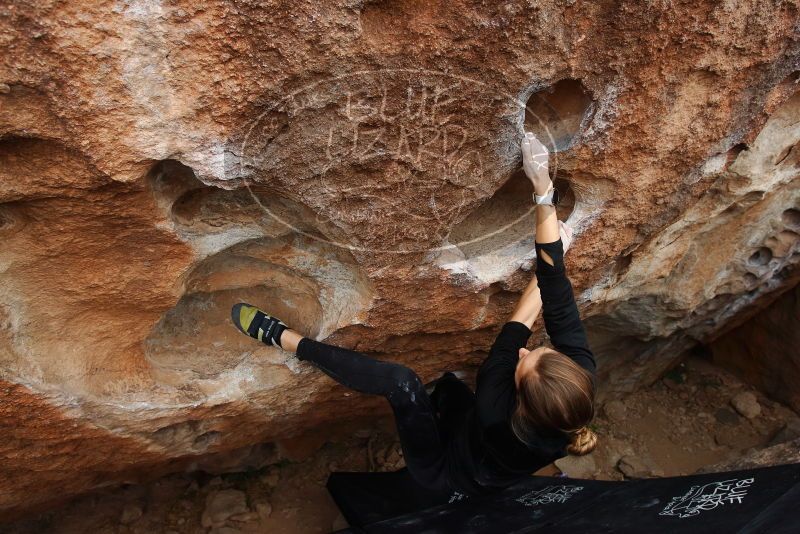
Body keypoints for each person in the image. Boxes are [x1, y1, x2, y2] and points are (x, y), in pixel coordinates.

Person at [230, 131, 596, 499]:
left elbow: (518, 326)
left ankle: (286, 338)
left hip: (445, 471)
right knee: (449, 391)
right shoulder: (580, 376)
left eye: (522, 365)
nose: (522, 353)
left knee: (401, 381)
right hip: (484, 448)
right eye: (539, 353)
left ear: (518, 401)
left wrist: (550, 256)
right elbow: (556, 295)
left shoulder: (494, 409)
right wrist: (545, 203)